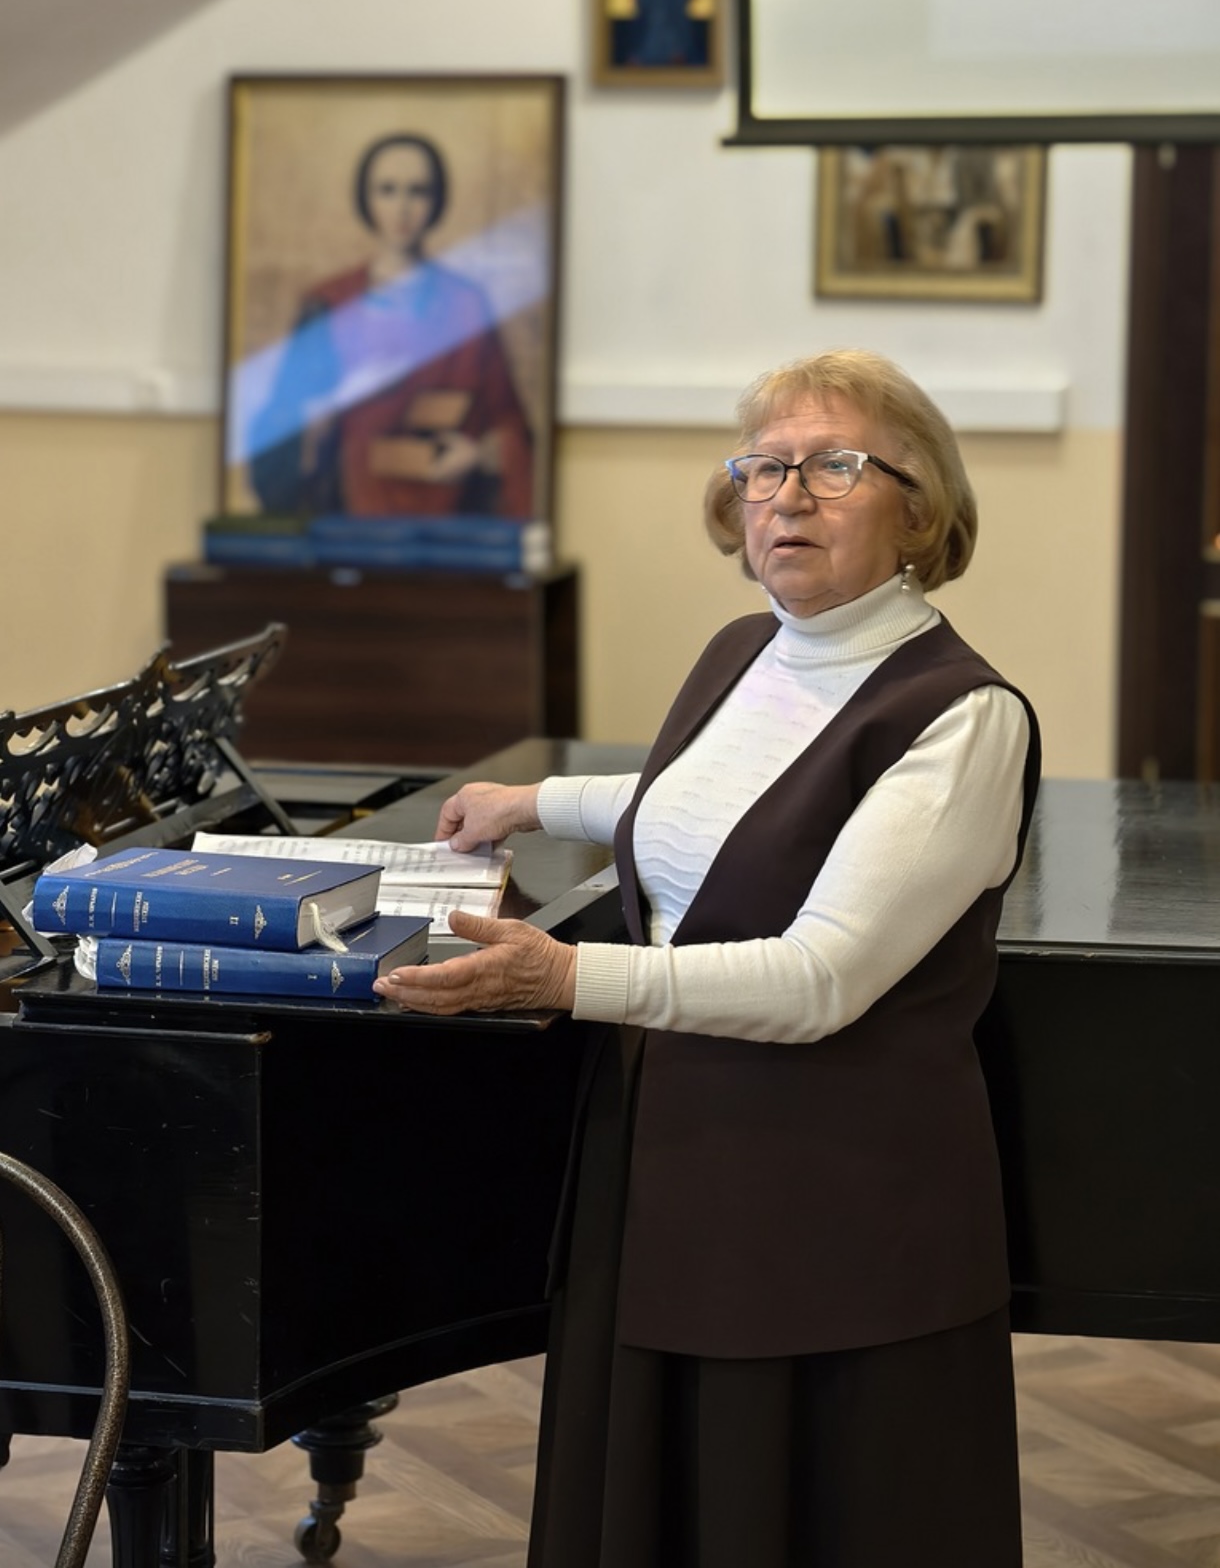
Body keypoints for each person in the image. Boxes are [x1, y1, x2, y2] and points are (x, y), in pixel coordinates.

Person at [373, 348, 1041, 1567]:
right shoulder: (747, 648)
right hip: (679, 1167)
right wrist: (533, 802)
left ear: (917, 511)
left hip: (832, 1212)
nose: (787, 496)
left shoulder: (961, 717)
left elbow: (819, 977)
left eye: (833, 466)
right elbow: (705, 804)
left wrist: (563, 977)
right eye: (763, 468)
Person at [245, 131, 534, 518]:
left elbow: (510, 425)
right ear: (366, 199)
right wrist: (314, 425)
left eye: (418, 191)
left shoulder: (468, 305)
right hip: (348, 516)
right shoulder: (329, 305)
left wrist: (480, 455)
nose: (402, 208)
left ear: (436, 201)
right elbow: (280, 425)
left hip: (447, 519)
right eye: (387, 190)